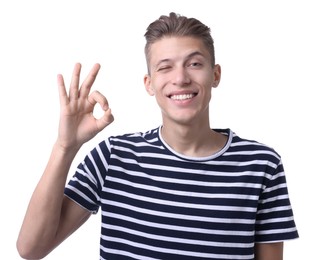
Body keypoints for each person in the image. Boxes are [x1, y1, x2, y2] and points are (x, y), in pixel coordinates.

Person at [17, 12, 299, 260]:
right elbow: (31, 248)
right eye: (165, 67)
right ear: (149, 84)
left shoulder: (261, 165)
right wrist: (65, 146)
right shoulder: (113, 156)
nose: (180, 79)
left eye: (194, 64)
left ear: (215, 75)